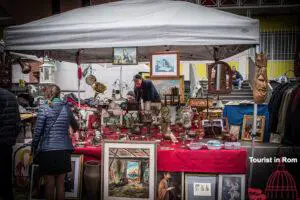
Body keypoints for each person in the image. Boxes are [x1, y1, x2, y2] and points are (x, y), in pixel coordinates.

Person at [32, 85, 79, 200]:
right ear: (59, 93)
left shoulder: (44, 108)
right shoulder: (66, 108)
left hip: (48, 150)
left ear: (48, 94)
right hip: (63, 149)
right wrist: (69, 128)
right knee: (60, 184)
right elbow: (76, 126)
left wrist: (34, 147)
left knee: (49, 185)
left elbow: (38, 131)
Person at [0, 88, 21, 200]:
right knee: (5, 176)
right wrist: (11, 138)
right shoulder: (11, 96)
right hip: (6, 144)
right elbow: (18, 123)